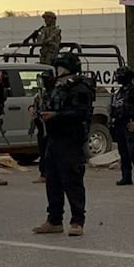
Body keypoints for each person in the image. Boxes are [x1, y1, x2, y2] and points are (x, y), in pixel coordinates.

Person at [33, 53, 94, 237]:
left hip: (70, 139)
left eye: (59, 67)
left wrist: (57, 116)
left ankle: (77, 221)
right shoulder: (56, 87)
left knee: (72, 180)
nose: (56, 71)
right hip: (53, 138)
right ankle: (54, 220)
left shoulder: (80, 88)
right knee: (52, 180)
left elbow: (81, 113)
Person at [110, 65, 134, 187]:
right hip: (119, 123)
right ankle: (126, 176)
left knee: (132, 150)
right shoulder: (119, 92)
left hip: (130, 123)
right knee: (123, 151)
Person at [28, 70, 56, 184]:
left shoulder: (56, 93)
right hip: (41, 126)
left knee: (52, 151)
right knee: (43, 150)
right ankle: (44, 173)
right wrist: (31, 109)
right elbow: (34, 105)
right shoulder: (41, 94)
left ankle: (51, 173)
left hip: (53, 126)